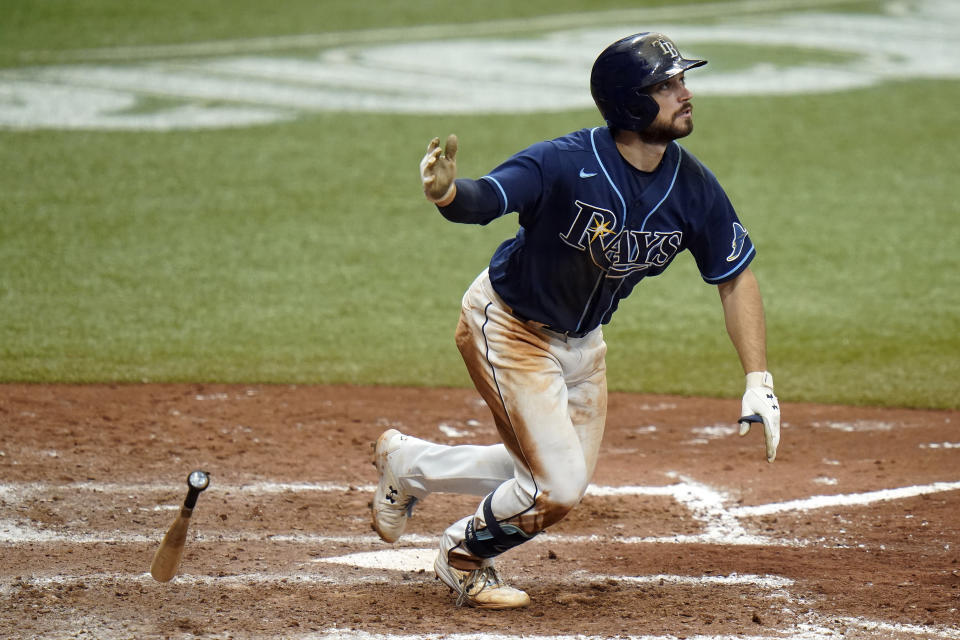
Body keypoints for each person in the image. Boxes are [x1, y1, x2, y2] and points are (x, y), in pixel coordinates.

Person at [371, 32, 781, 610]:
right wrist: (446, 193)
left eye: (682, 81)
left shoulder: (692, 188)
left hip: (584, 346)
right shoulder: (564, 161)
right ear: (630, 103)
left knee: (545, 474)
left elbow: (734, 275)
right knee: (554, 488)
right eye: (667, 85)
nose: (685, 93)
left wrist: (757, 378)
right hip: (509, 327)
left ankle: (408, 464)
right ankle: (463, 556)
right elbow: (489, 197)